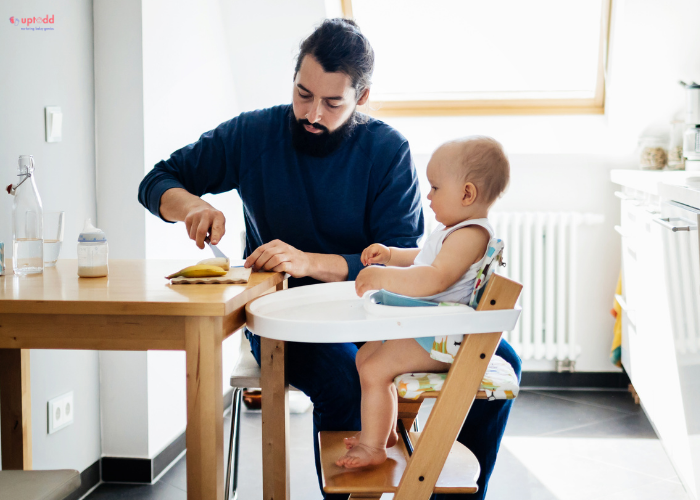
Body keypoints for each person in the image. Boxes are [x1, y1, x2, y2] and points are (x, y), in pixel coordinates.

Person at [138, 18, 521, 500]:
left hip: (380, 314)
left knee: (500, 358)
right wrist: (190, 205)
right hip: (287, 319)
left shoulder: (386, 149)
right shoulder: (253, 134)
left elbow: (405, 264)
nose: (312, 112)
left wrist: (312, 261)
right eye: (302, 93)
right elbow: (156, 180)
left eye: (332, 102)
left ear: (361, 98)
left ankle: (445, 491)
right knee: (345, 379)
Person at [336, 136, 509, 469]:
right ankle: (382, 432)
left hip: (444, 340)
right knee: (366, 356)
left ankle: (373, 447)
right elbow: (424, 259)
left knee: (375, 368)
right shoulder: (456, 233)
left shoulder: (470, 235)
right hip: (434, 329)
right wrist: (391, 255)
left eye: (434, 188)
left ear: (467, 193)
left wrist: (383, 277)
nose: (428, 196)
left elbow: (434, 277)